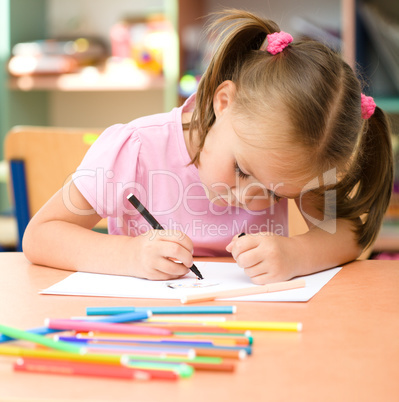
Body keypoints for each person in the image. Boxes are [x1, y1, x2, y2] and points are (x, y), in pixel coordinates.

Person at [23, 9, 393, 284]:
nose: (249, 197)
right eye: (242, 171)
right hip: (143, 330)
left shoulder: (297, 151)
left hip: (252, 330)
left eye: (274, 194)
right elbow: (41, 236)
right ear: (223, 102)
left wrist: (296, 254)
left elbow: (346, 235)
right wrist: (131, 256)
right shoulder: (135, 148)